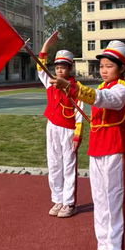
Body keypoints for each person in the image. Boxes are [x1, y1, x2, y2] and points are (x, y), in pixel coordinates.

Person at [50, 40, 125, 250]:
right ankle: (104, 247)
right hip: (96, 150)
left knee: (115, 201)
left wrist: (73, 88)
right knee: (100, 201)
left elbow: (106, 100)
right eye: (102, 66)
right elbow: (94, 102)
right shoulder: (102, 89)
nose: (104, 70)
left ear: (121, 68)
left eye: (109, 66)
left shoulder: (122, 89)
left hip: (116, 150)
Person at [37, 32, 83, 218]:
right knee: (54, 163)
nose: (59, 71)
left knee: (68, 164)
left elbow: (80, 113)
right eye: (57, 68)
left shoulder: (75, 87)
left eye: (63, 68)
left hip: (69, 129)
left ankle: (69, 202)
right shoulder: (50, 82)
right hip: (52, 126)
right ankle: (57, 199)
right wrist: (46, 46)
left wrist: (78, 134)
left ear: (69, 68)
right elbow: (40, 68)